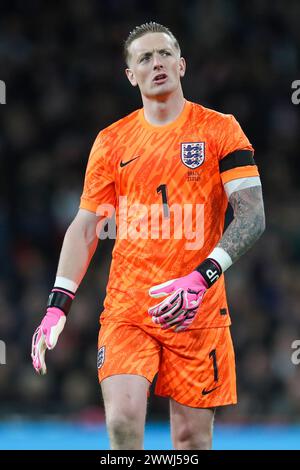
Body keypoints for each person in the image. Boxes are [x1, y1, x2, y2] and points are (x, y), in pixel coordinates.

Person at [31, 22, 265, 450]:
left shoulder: (220, 130)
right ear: (130, 75)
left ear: (181, 64)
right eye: (143, 58)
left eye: (163, 54)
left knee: (191, 441)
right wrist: (57, 304)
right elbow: (86, 226)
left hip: (199, 308)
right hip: (129, 309)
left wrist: (202, 277)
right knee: (123, 424)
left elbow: (251, 217)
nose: (155, 63)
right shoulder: (112, 141)